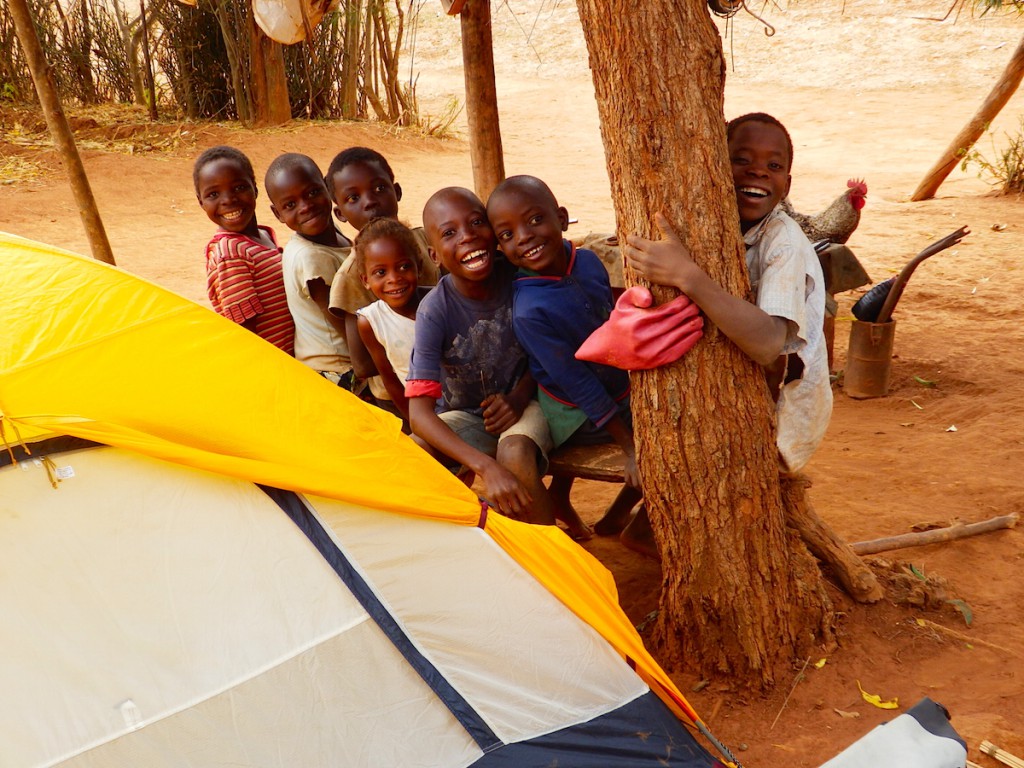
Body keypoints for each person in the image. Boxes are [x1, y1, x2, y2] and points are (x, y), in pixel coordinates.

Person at [625, 111, 832, 477]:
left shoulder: (784, 242)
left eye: (774, 164)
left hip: (781, 416)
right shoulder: (712, 223)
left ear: (787, 182)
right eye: (741, 159)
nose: (758, 171)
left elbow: (769, 345)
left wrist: (687, 275)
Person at [405, 187, 590, 539]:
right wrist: (484, 467)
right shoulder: (435, 310)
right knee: (416, 451)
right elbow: (419, 414)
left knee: (515, 453)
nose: (468, 236)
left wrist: (518, 398)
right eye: (449, 233)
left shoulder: (520, 277)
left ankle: (548, 562)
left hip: (529, 403)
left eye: (477, 223)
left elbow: (557, 351)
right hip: (468, 416)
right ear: (435, 255)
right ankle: (456, 553)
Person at [487, 175, 650, 553]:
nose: (523, 237)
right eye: (507, 234)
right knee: (660, 439)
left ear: (561, 218)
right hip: (576, 414)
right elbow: (578, 384)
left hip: (614, 386)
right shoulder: (530, 310)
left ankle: (617, 514)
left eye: (533, 220)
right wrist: (629, 449)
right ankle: (637, 526)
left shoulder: (588, 262)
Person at [323, 147, 439, 399]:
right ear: (340, 213)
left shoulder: (426, 239)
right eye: (353, 198)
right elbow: (363, 364)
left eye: (378, 189)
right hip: (399, 392)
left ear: (396, 191)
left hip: (449, 378)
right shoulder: (351, 276)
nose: (370, 201)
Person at [264, 153, 356, 388]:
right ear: (278, 214)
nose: (306, 207)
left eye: (313, 193)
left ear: (326, 186)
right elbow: (346, 328)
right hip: (338, 371)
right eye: (290, 205)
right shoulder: (312, 258)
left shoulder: (331, 231)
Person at [195, 145, 294, 355]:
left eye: (239, 187)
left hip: (294, 362)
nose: (228, 200)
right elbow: (246, 335)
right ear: (201, 202)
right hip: (275, 368)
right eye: (213, 194)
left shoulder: (264, 236)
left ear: (255, 189)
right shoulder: (230, 253)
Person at [354, 217, 427, 427]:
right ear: (365, 280)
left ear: (419, 266)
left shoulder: (439, 301)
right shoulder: (370, 321)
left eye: (404, 266)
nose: (394, 279)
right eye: (380, 272)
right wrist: (417, 423)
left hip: (463, 403)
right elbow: (391, 380)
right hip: (423, 412)